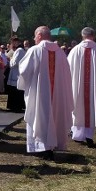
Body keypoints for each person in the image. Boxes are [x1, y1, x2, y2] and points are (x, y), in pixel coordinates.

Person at [17, 26, 74, 160]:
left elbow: (24, 71)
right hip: (57, 95)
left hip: (39, 93)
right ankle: (52, 145)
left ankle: (41, 147)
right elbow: (67, 74)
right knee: (54, 116)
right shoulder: (60, 52)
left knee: (39, 116)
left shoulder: (35, 50)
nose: (34, 39)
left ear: (40, 36)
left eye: (34, 36)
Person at [68, 27, 96, 147]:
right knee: (91, 109)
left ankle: (77, 135)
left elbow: (68, 68)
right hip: (94, 88)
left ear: (82, 36)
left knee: (78, 108)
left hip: (77, 87)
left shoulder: (75, 50)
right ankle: (89, 136)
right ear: (94, 35)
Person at [6, 37, 27, 112]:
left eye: (12, 43)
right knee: (14, 90)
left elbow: (15, 63)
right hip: (15, 72)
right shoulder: (18, 50)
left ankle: (16, 106)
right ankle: (13, 106)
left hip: (16, 73)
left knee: (16, 91)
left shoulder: (19, 50)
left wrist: (10, 60)